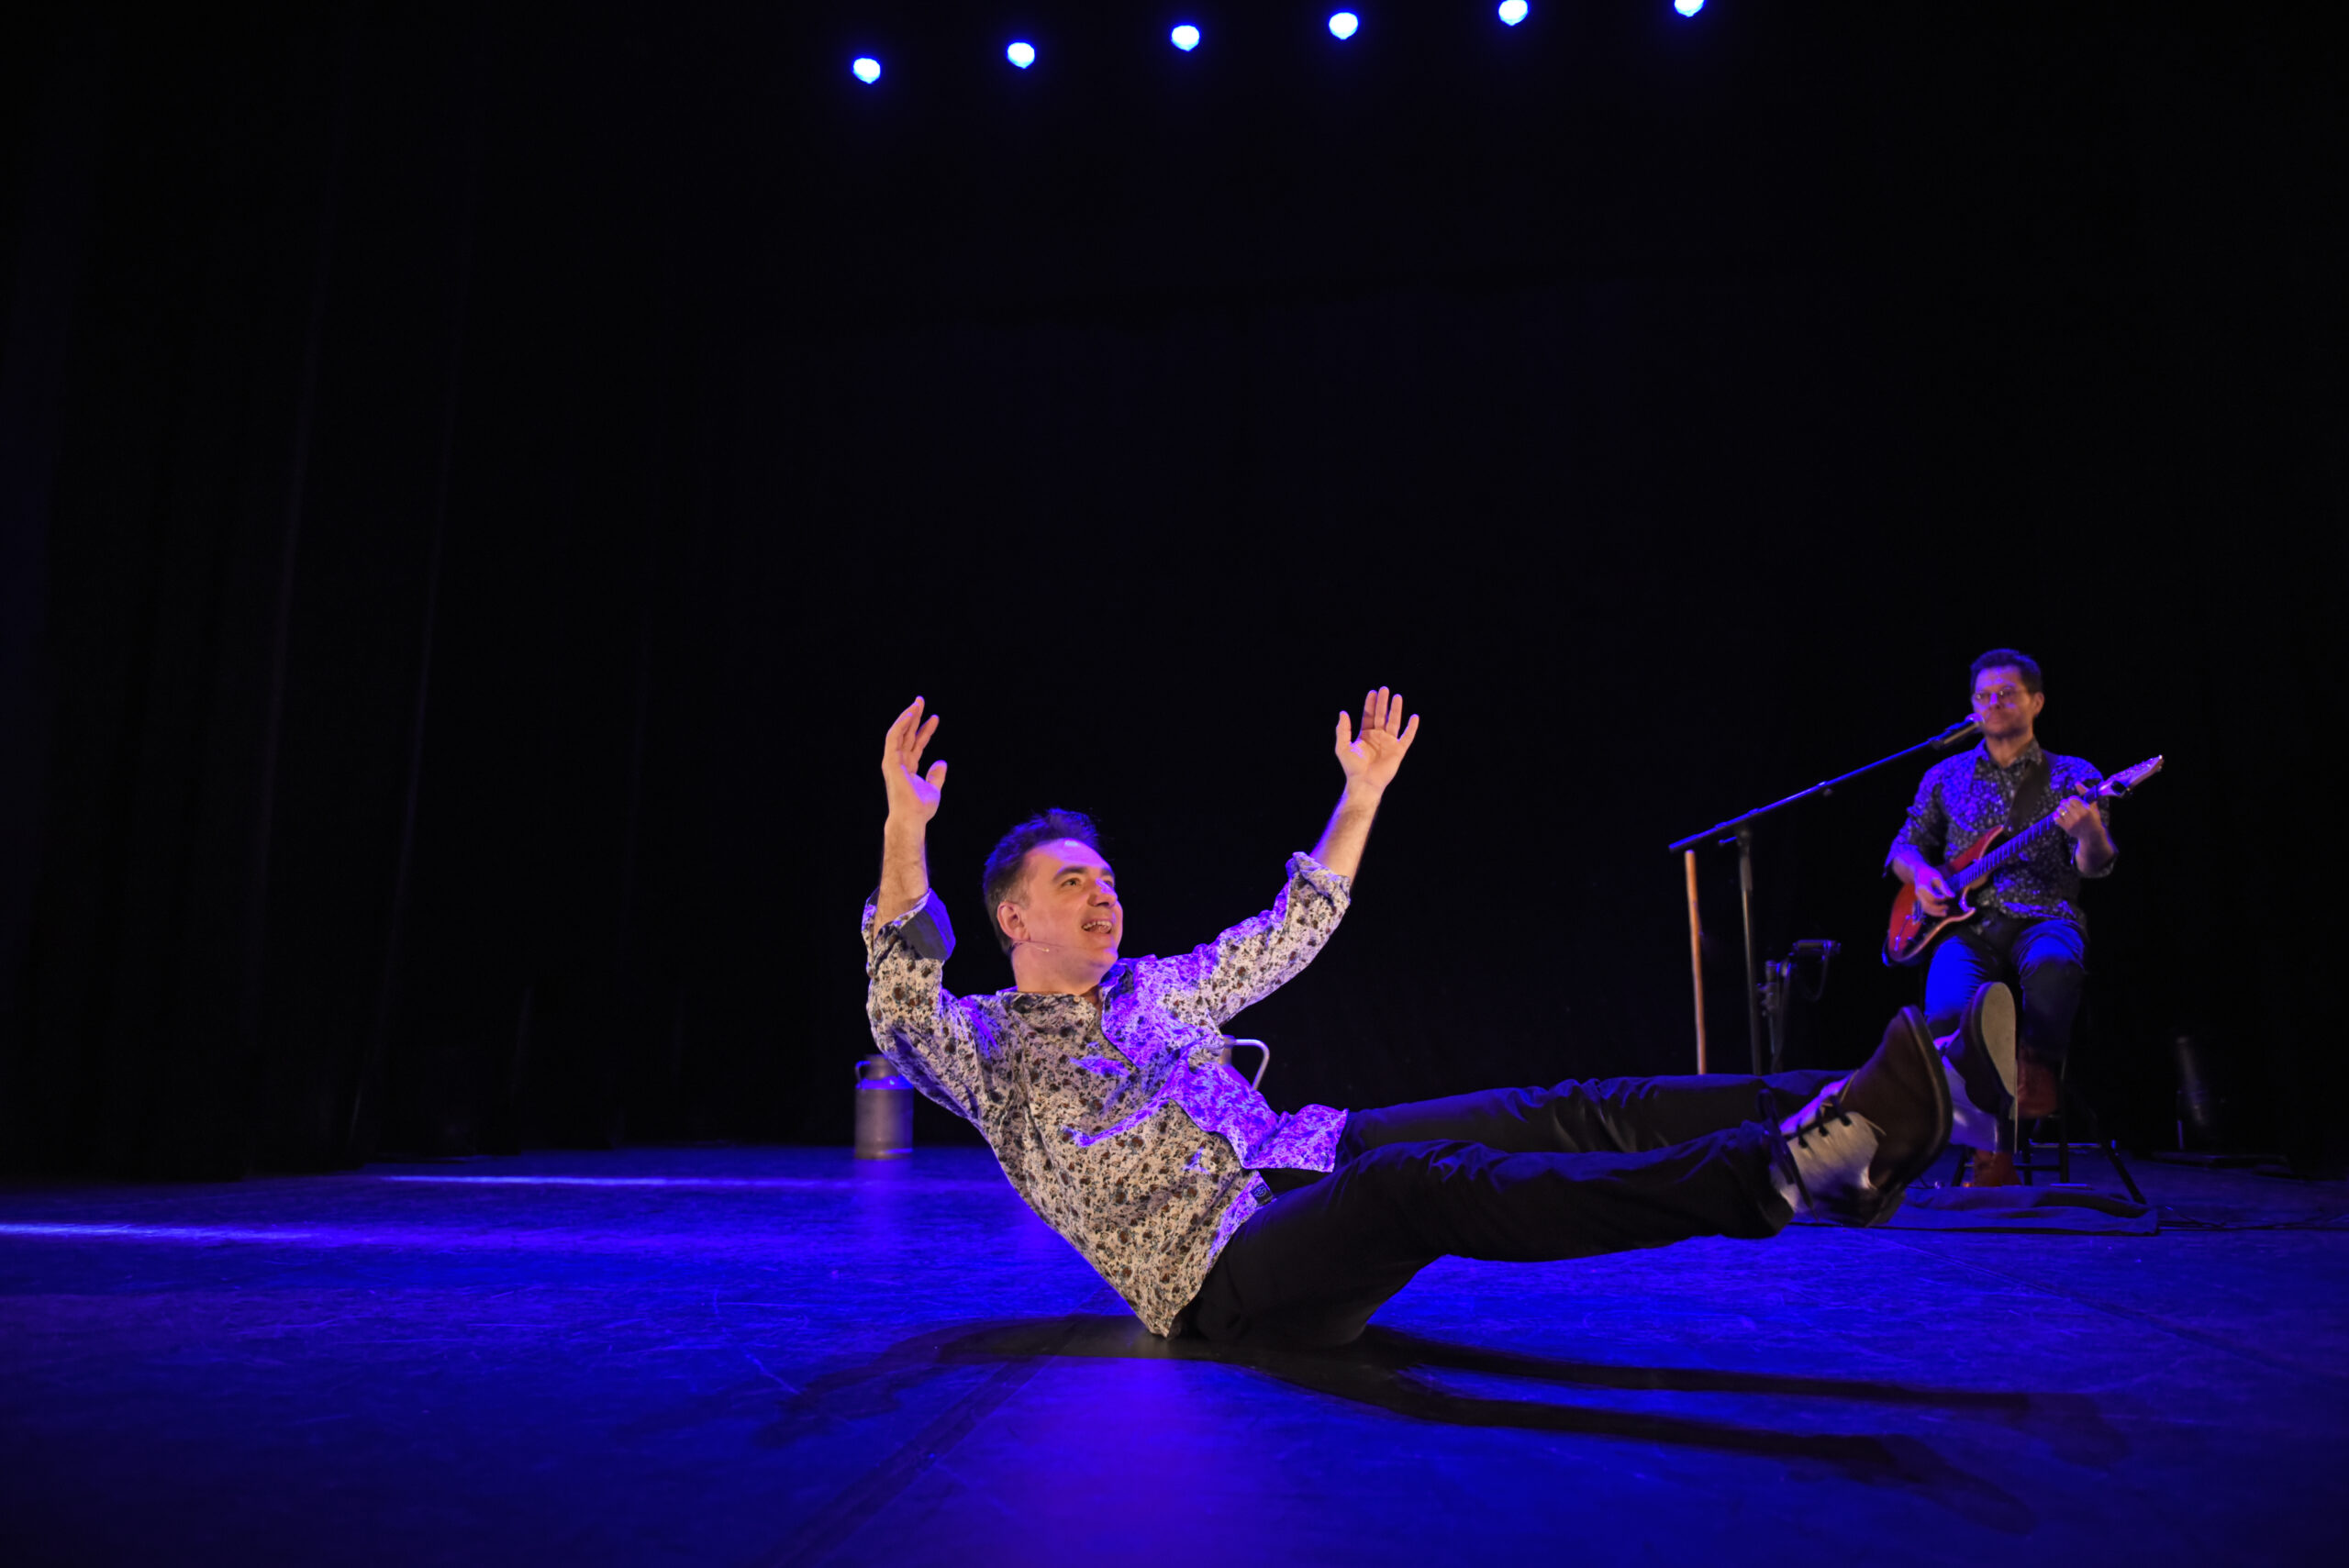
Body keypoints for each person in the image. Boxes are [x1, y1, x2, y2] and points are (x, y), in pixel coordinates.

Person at [864, 690, 2018, 1349]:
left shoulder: (1155, 987)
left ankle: (1890, 1096)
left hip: (1304, 1154)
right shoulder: (991, 1048)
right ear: (1012, 916)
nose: (1103, 894)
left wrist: (1359, 795)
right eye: (1072, 881)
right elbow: (899, 1003)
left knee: (1561, 1108)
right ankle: (1783, 1169)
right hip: (1219, 1269)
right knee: (1417, 1183)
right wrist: (904, 827)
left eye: (1108, 877)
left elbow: (1289, 928)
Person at [1887, 649, 2118, 1184]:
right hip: (1966, 927)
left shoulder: (2075, 776)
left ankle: (2033, 1068)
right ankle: (1989, 1148)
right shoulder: (1944, 775)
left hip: (2044, 916)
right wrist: (1923, 876)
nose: (1993, 703)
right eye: (1984, 695)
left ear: (2037, 702)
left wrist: (2088, 830)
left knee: (2056, 964)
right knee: (1946, 1011)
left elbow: (2096, 866)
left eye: (2007, 693)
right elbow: (1903, 847)